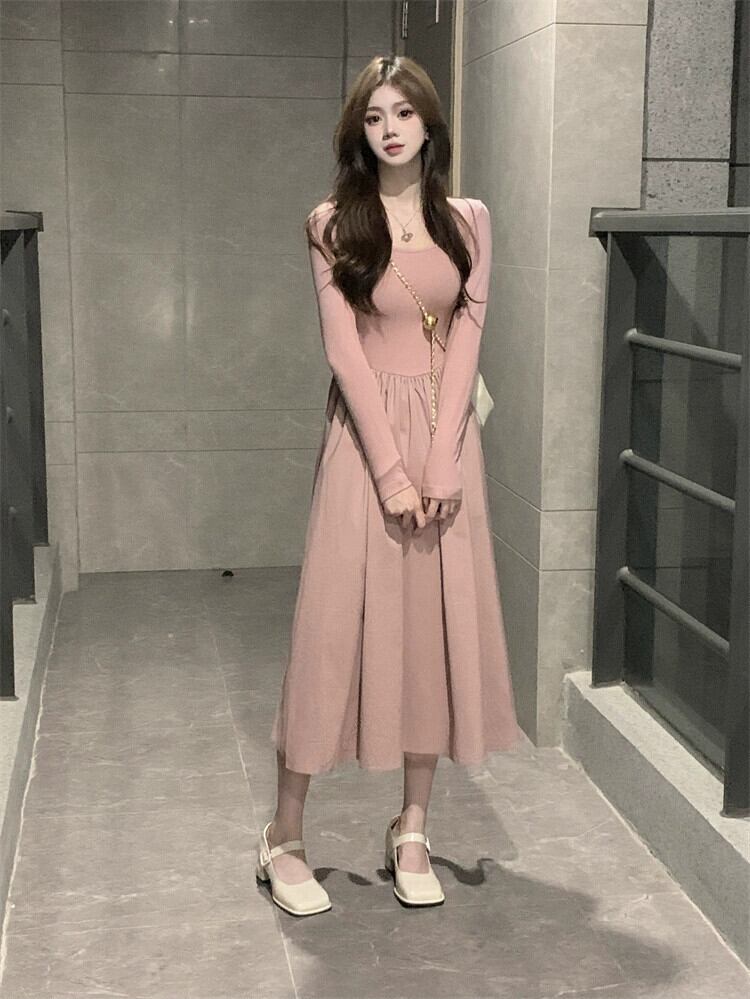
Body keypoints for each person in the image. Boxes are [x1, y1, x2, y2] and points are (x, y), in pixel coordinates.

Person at [256, 54, 521, 916]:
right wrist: (392, 470)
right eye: (374, 117)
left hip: (447, 442)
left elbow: (470, 336)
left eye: (404, 113)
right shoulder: (332, 223)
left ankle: (413, 827)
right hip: (364, 444)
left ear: (429, 123)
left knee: (430, 632)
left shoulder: (470, 220)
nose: (390, 129)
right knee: (329, 628)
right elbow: (344, 353)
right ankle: (284, 833)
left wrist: (442, 460)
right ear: (357, 132)